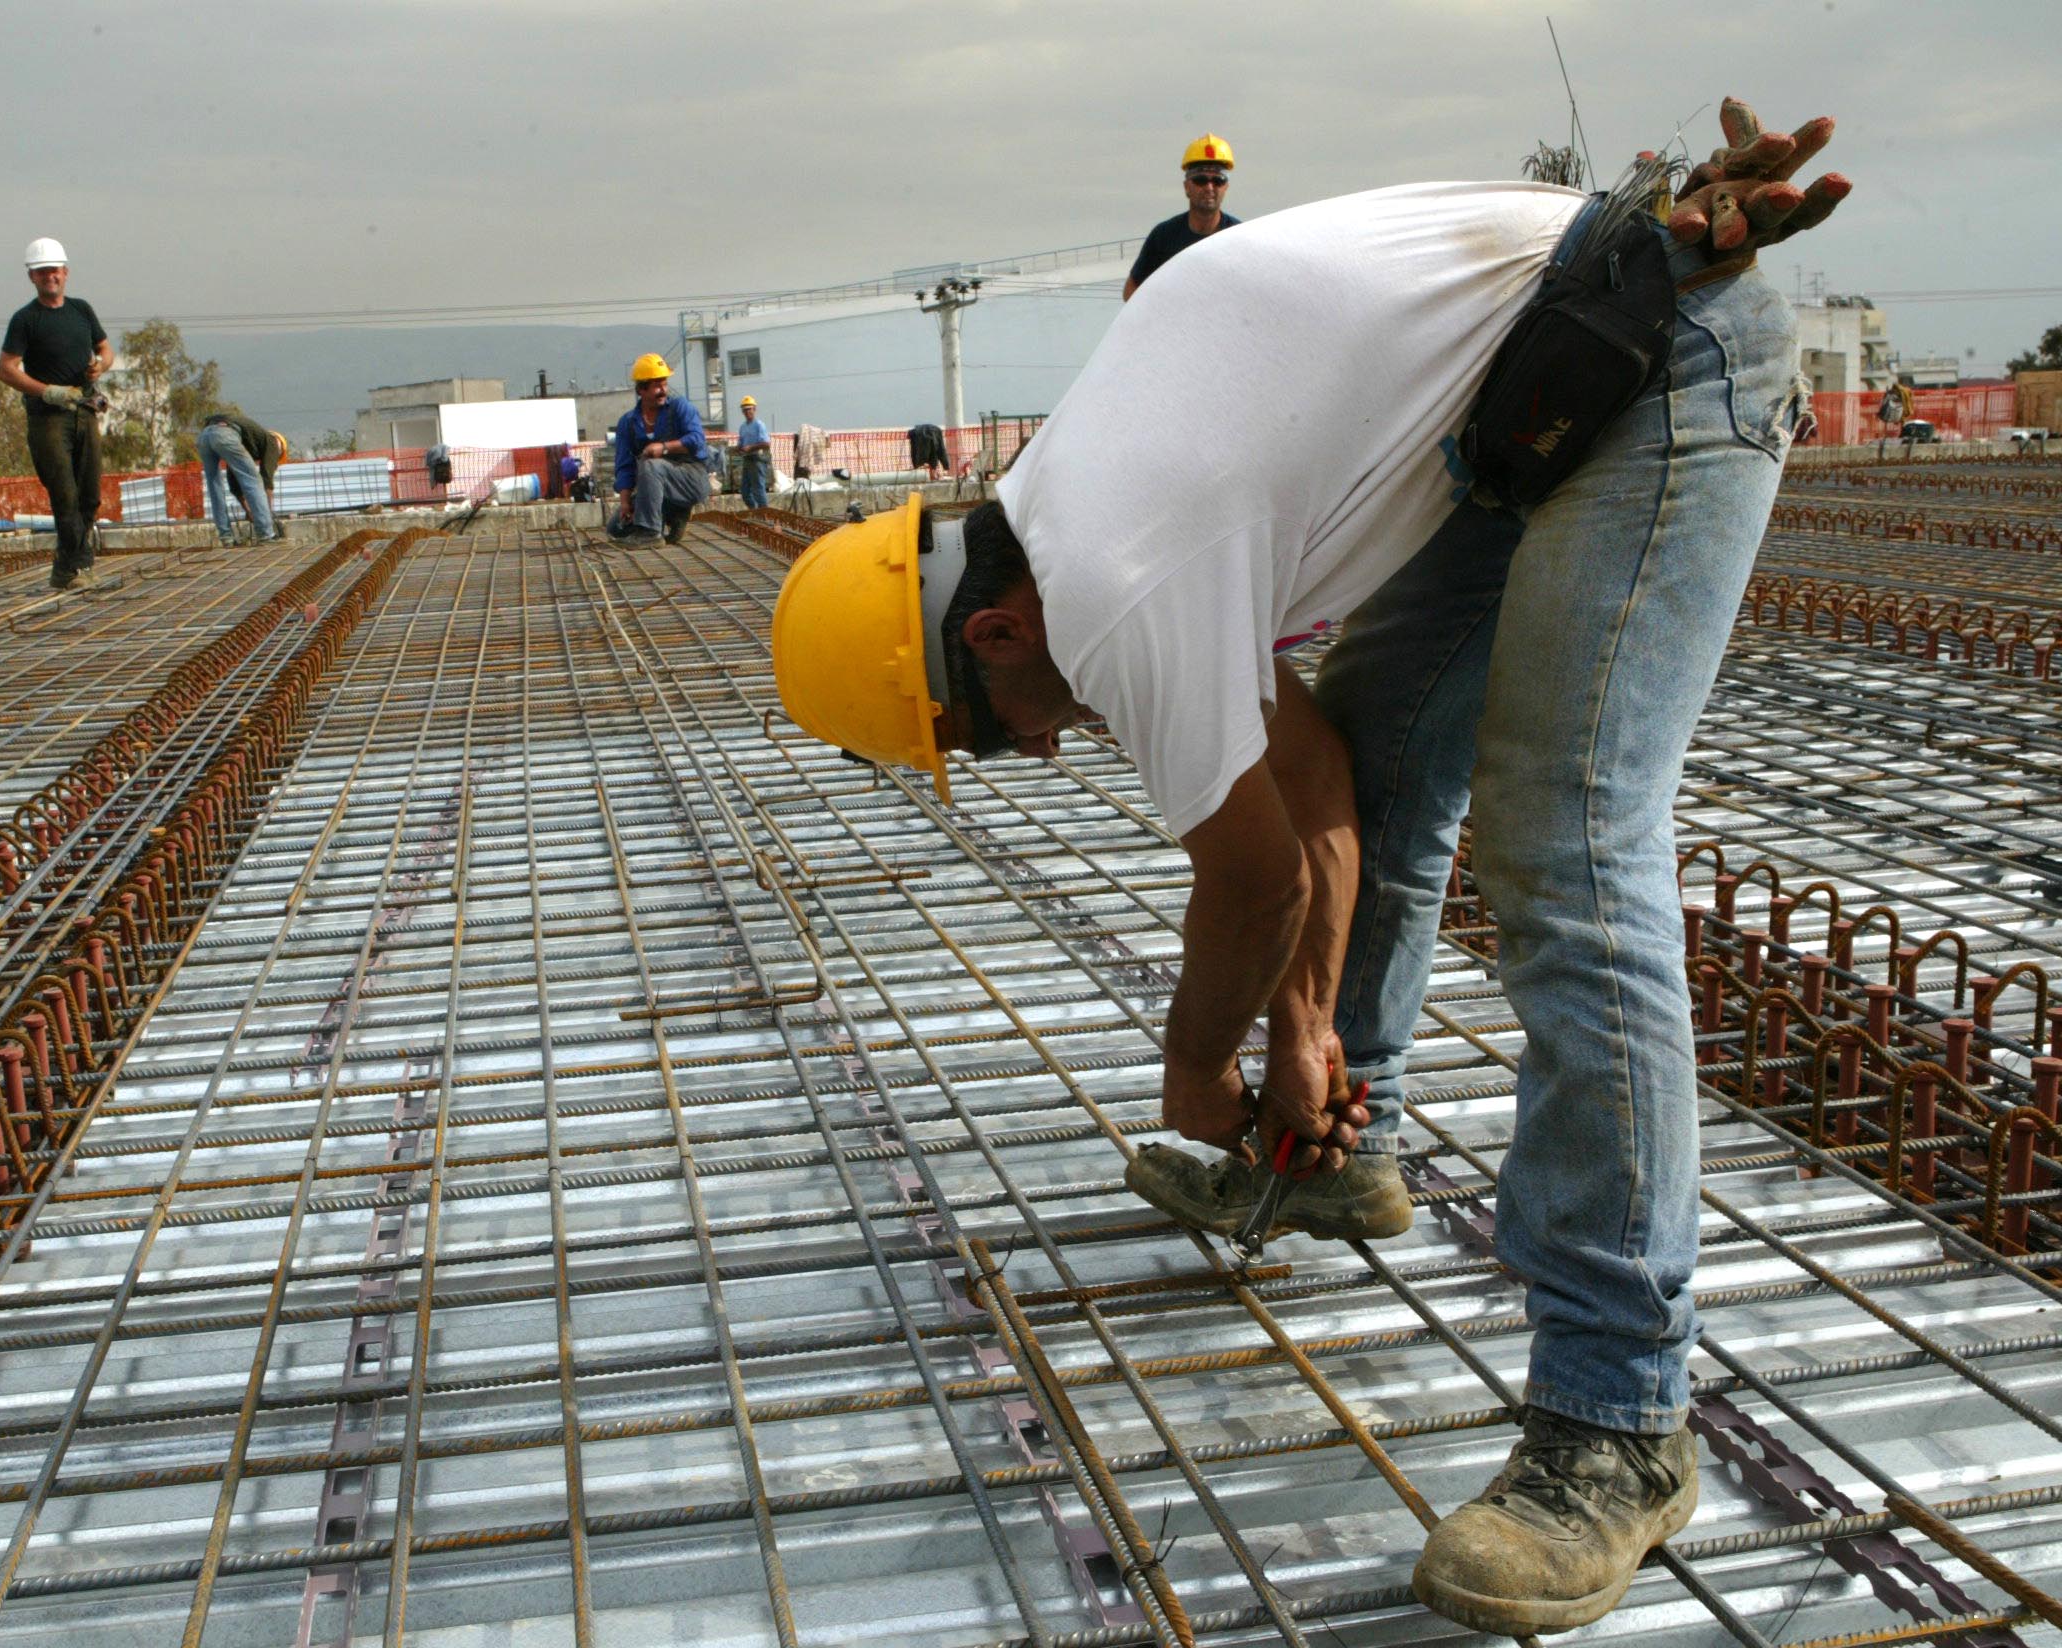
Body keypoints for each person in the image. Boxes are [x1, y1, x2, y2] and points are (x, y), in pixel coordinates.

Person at [768, 102, 1846, 1637]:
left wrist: (1201, 1060)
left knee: (1568, 841)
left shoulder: (1118, 580)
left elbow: (1259, 881)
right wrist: (1305, 1036)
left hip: (1652, 370)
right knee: (1387, 746)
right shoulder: (1081, 513)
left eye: (994, 738)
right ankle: (1345, 1149)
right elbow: (1323, 782)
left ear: (991, 634)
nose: (1040, 752)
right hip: (1528, 407)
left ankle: (1620, 1417)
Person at [0, 236, 113, 591]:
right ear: (32, 277)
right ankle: (80, 569)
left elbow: (105, 349)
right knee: (64, 494)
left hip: (84, 412)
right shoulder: (25, 320)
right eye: (43, 272)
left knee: (89, 495)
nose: (51, 277)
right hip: (48, 419)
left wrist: (100, 367)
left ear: (66, 272)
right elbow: (7, 368)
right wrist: (47, 391)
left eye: (55, 271)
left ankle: (65, 569)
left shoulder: (81, 311)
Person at [610, 352, 710, 546]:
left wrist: (663, 448)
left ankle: (650, 533)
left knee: (651, 465)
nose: (663, 390)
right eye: (657, 385)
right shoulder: (628, 423)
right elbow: (625, 466)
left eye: (664, 383)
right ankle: (675, 516)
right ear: (641, 389)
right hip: (656, 487)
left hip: (690, 478)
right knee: (616, 528)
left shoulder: (680, 407)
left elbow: (697, 439)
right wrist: (625, 503)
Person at [1124, 134, 1240, 299]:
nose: (1209, 187)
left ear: (1226, 187)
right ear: (1187, 187)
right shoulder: (1163, 237)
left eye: (1218, 180)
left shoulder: (1238, 237)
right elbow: (1131, 291)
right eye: (1200, 180)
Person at [198, 409, 285, 545]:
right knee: (254, 481)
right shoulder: (273, 443)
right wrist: (267, 515)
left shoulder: (246, 443)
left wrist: (248, 510)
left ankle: (226, 537)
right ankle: (266, 534)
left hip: (204, 435)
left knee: (214, 485)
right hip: (225, 432)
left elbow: (234, 485)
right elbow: (266, 483)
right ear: (281, 449)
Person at [736, 396, 772, 509]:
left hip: (758, 459)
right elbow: (741, 443)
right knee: (745, 491)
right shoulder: (742, 427)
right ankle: (754, 512)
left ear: (754, 409)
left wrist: (750, 448)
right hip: (747, 459)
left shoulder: (759, 425)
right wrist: (738, 448)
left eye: (749, 409)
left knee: (758, 490)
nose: (747, 412)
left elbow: (766, 443)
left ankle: (765, 513)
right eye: (745, 409)